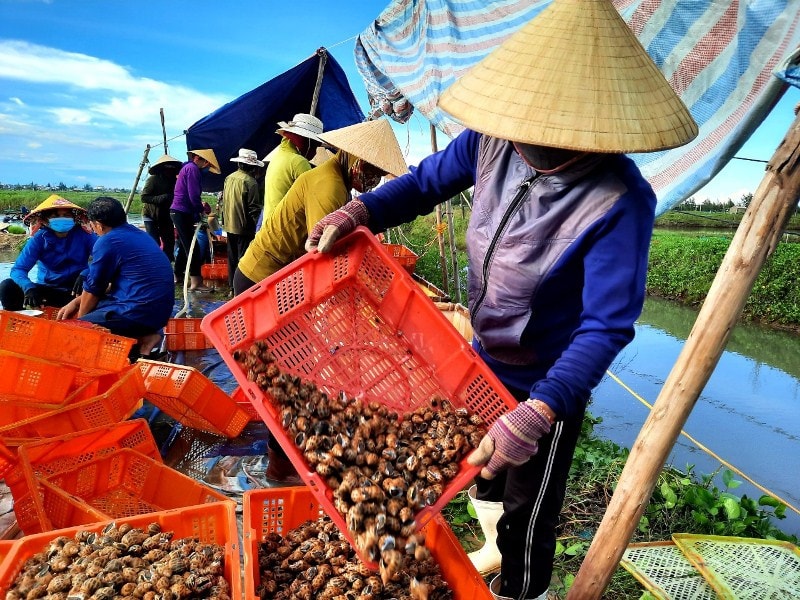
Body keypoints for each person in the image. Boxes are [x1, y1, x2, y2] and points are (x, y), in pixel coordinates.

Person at [305, 1, 698, 598]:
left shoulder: (619, 199)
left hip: (546, 379)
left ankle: (523, 585)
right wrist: (360, 210)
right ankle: (491, 542)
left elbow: (605, 326)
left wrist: (541, 411)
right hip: (483, 356)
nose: (529, 139)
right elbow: (421, 184)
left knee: (528, 503)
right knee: (479, 474)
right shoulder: (489, 142)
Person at [236, 118, 407, 484]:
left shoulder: (335, 179)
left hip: (280, 283)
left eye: (380, 175)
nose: (374, 182)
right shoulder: (328, 186)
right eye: (372, 171)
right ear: (352, 159)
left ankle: (287, 460)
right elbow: (324, 260)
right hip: (263, 282)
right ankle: (281, 468)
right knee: (290, 378)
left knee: (297, 373)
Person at [57, 197, 175, 358]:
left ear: (98, 224)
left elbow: (94, 289)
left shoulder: (108, 241)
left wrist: (82, 323)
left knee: (70, 331)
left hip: (136, 314)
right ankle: (148, 337)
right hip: (160, 315)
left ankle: (140, 336)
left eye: (92, 226)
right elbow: (115, 284)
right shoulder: (141, 235)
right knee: (87, 308)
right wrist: (76, 302)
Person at [0, 195, 96, 311]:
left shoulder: (85, 235)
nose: (62, 219)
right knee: (7, 286)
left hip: (79, 291)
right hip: (49, 291)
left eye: (66, 215)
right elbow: (18, 269)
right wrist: (28, 287)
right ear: (45, 221)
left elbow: (103, 259)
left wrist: (87, 272)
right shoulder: (39, 239)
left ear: (74, 218)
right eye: (55, 216)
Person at [255, 113, 324, 229]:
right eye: (315, 145)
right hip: (284, 232)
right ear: (307, 141)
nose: (315, 151)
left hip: (268, 228)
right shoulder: (298, 162)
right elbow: (312, 202)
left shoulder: (278, 156)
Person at [171, 148, 219, 291]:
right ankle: (196, 282)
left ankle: (178, 275)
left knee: (185, 244)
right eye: (206, 163)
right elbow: (193, 195)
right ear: (198, 158)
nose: (206, 166)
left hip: (179, 211)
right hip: (181, 211)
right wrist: (201, 210)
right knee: (193, 248)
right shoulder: (192, 169)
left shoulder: (187, 168)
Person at [221, 149, 264, 290]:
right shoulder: (250, 182)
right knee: (243, 260)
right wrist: (260, 227)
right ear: (252, 167)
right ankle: (240, 289)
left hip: (229, 225)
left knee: (232, 258)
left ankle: (231, 288)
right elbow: (254, 209)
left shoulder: (229, 177)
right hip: (244, 227)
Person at [141, 154, 181, 262]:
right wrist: (161, 198)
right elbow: (144, 197)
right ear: (162, 169)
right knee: (154, 242)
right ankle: (153, 263)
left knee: (169, 242)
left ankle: (167, 264)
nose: (171, 171)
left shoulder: (175, 181)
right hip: (150, 215)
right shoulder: (153, 180)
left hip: (166, 216)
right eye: (168, 168)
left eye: (173, 169)